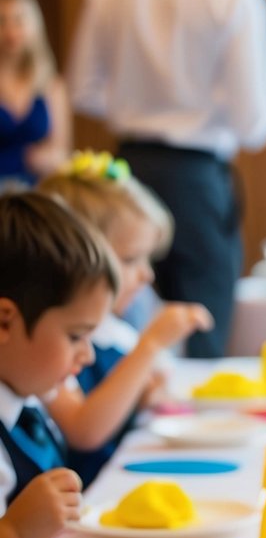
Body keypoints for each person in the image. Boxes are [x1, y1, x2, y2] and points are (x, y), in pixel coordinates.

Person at [68, 0, 266, 357]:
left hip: (126, 172)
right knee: (203, 323)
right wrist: (198, 109)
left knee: (117, 318)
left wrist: (139, 102)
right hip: (198, 179)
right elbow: (255, 124)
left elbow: (83, 89)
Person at [40, 152, 213, 485]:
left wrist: (143, 390)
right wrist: (150, 345)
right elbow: (84, 429)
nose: (146, 275)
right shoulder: (55, 342)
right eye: (131, 259)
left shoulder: (114, 333)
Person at [0, 191, 118, 538]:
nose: (87, 355)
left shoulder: (29, 399)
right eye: (75, 336)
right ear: (5, 322)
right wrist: (11, 535)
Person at [0, 0, 71, 188]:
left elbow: (62, 153)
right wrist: (24, 157)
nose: (12, 32)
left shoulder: (51, 85)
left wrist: (46, 159)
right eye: (2, 21)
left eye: (19, 20)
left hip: (38, 193)